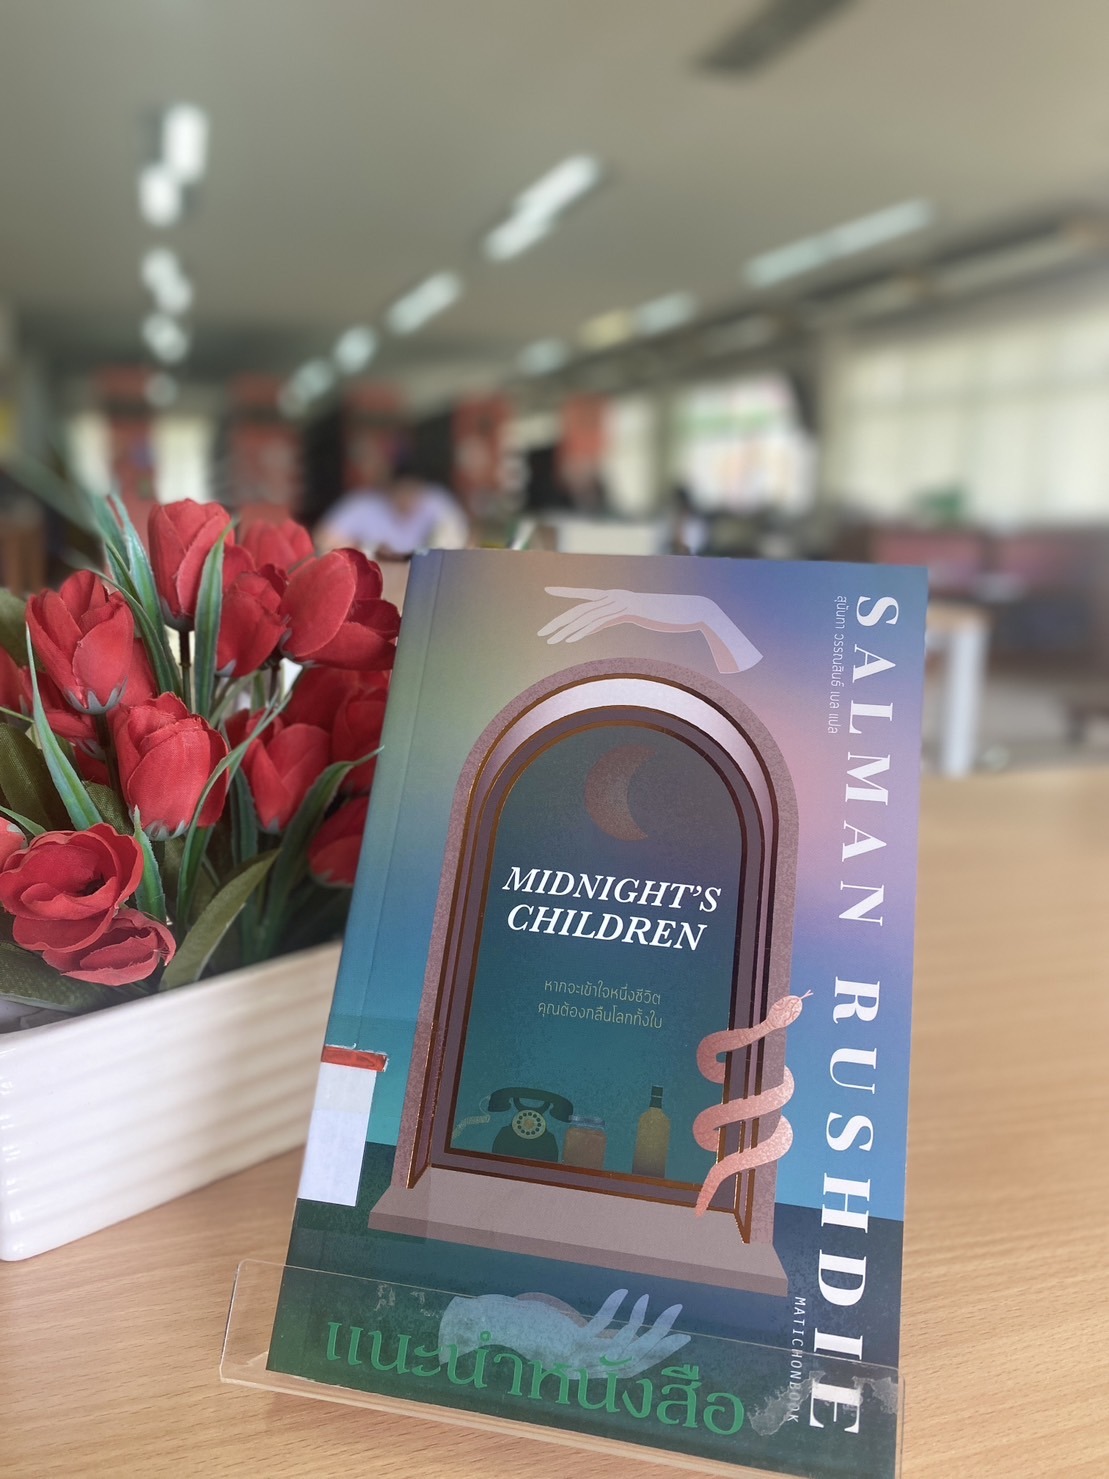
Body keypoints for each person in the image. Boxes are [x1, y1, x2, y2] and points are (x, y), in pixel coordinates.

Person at [314, 457, 469, 560]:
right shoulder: (363, 504)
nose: (408, 500)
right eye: (403, 491)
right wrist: (363, 548)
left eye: (413, 492)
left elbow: (464, 539)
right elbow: (323, 539)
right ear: (389, 488)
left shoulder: (435, 501)